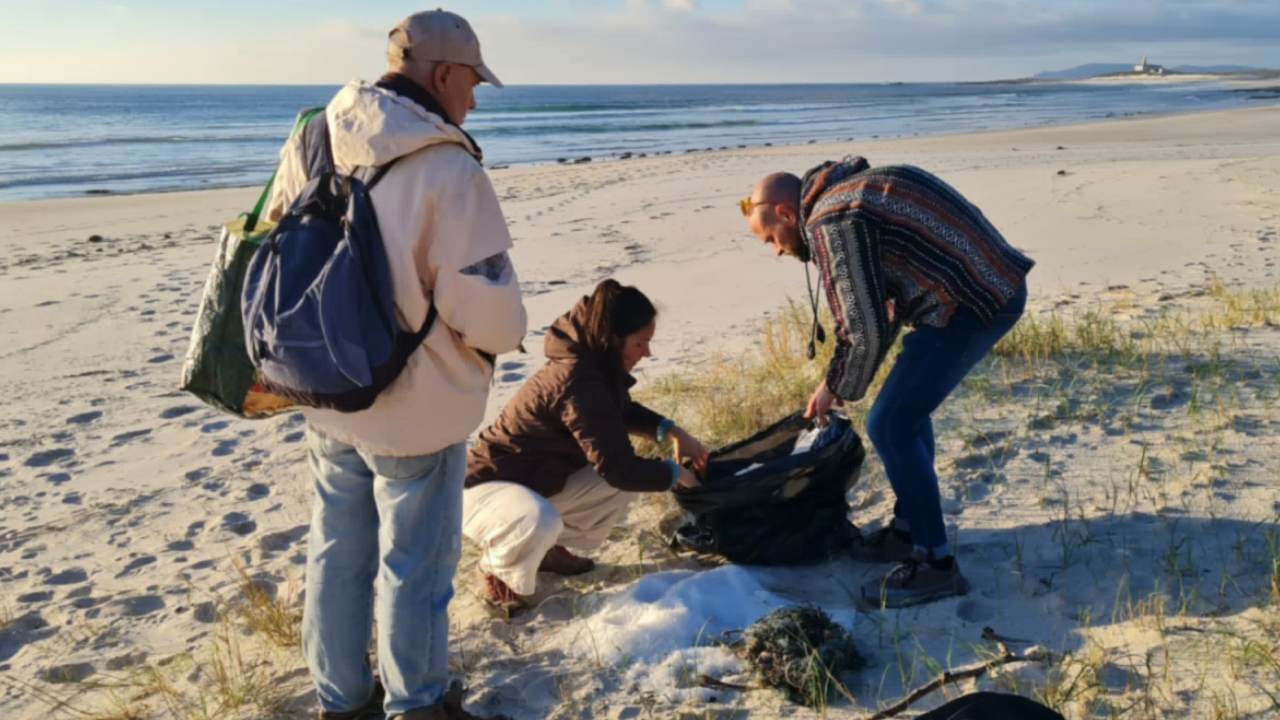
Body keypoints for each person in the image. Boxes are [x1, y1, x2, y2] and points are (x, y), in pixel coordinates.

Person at [264, 10, 527, 720]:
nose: (473, 99)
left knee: (336, 550)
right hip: (418, 402)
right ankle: (418, 704)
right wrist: (497, 342)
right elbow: (489, 308)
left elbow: (279, 241)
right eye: (472, 82)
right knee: (416, 565)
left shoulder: (315, 132)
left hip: (325, 382)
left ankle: (341, 698)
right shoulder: (446, 161)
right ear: (444, 74)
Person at [742, 157, 1033, 609]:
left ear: (785, 213)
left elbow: (864, 324)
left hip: (974, 301)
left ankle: (936, 566)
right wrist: (839, 380)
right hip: (983, 286)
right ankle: (908, 530)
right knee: (904, 414)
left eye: (771, 239)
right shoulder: (849, 193)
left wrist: (834, 385)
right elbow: (883, 306)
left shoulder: (832, 219)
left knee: (890, 425)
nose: (777, 251)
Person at [464, 279, 709, 616]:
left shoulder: (595, 361)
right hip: (485, 487)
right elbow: (618, 467)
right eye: (641, 343)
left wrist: (671, 431)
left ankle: (545, 549)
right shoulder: (578, 377)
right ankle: (496, 569)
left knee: (615, 486)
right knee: (545, 515)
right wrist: (677, 475)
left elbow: (616, 412)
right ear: (613, 338)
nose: (647, 353)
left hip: (535, 480)